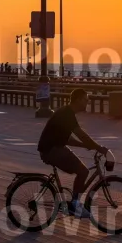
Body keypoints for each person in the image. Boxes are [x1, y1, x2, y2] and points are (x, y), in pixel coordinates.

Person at [37, 88, 108, 218]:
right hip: (52, 150)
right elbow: (81, 134)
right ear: (78, 99)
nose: (87, 102)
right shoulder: (67, 114)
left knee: (81, 170)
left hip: (52, 148)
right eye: (85, 100)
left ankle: (73, 203)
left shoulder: (66, 112)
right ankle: (75, 205)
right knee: (83, 171)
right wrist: (99, 147)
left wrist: (84, 145)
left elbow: (67, 139)